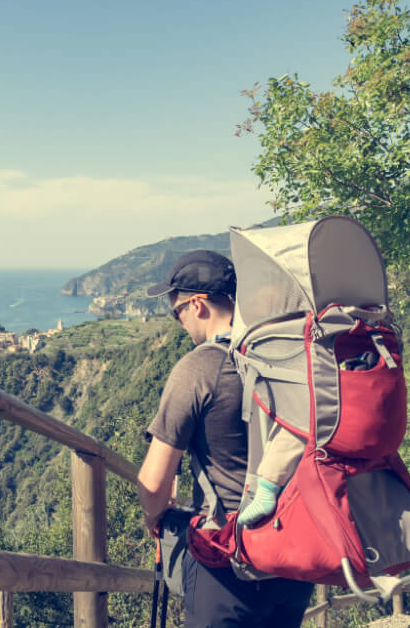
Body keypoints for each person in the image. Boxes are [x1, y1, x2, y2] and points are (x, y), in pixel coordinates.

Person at [137, 249, 314, 627]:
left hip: (228, 557)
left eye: (176, 312)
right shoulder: (288, 356)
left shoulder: (199, 367)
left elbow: (153, 482)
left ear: (197, 305)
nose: (179, 323)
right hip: (294, 550)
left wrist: (156, 518)